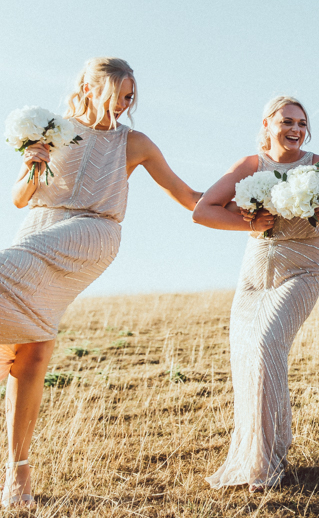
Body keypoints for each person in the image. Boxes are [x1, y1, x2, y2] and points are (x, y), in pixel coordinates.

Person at [0, 57, 201, 508]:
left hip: (91, 232)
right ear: (89, 89)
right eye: (117, 95)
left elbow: (186, 195)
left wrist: (247, 207)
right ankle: (18, 477)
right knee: (30, 348)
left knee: (5, 275)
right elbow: (18, 199)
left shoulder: (135, 143)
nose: (124, 106)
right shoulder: (51, 130)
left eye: (130, 97)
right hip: (35, 229)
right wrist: (33, 163)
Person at [195, 95, 319, 490]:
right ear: (268, 124)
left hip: (304, 265)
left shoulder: (318, 164)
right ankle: (252, 455)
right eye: (288, 121)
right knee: (245, 354)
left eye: (302, 124)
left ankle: (269, 459)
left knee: (267, 344)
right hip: (256, 269)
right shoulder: (251, 166)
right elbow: (203, 209)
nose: (296, 130)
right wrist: (250, 224)